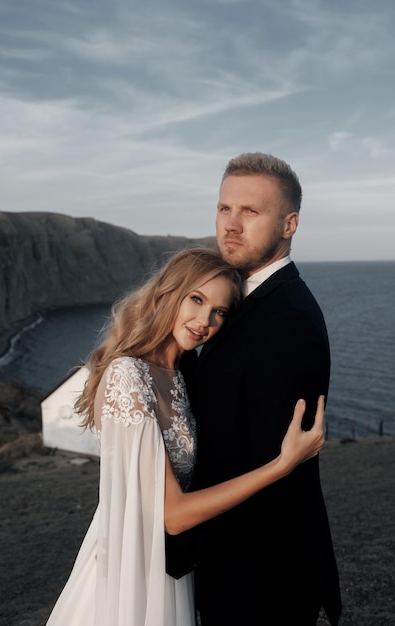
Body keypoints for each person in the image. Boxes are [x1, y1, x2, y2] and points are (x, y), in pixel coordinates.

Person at [44, 247, 327, 626]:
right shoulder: (127, 375)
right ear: (169, 293)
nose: (204, 320)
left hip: (168, 567)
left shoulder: (183, 374)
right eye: (196, 299)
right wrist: (282, 464)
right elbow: (173, 515)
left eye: (220, 311)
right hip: (130, 568)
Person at [174, 154, 342, 625]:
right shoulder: (237, 300)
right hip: (232, 568)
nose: (231, 224)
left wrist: (193, 547)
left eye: (250, 212)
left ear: (289, 223)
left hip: (261, 579)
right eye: (225, 208)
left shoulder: (288, 322)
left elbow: (273, 473)